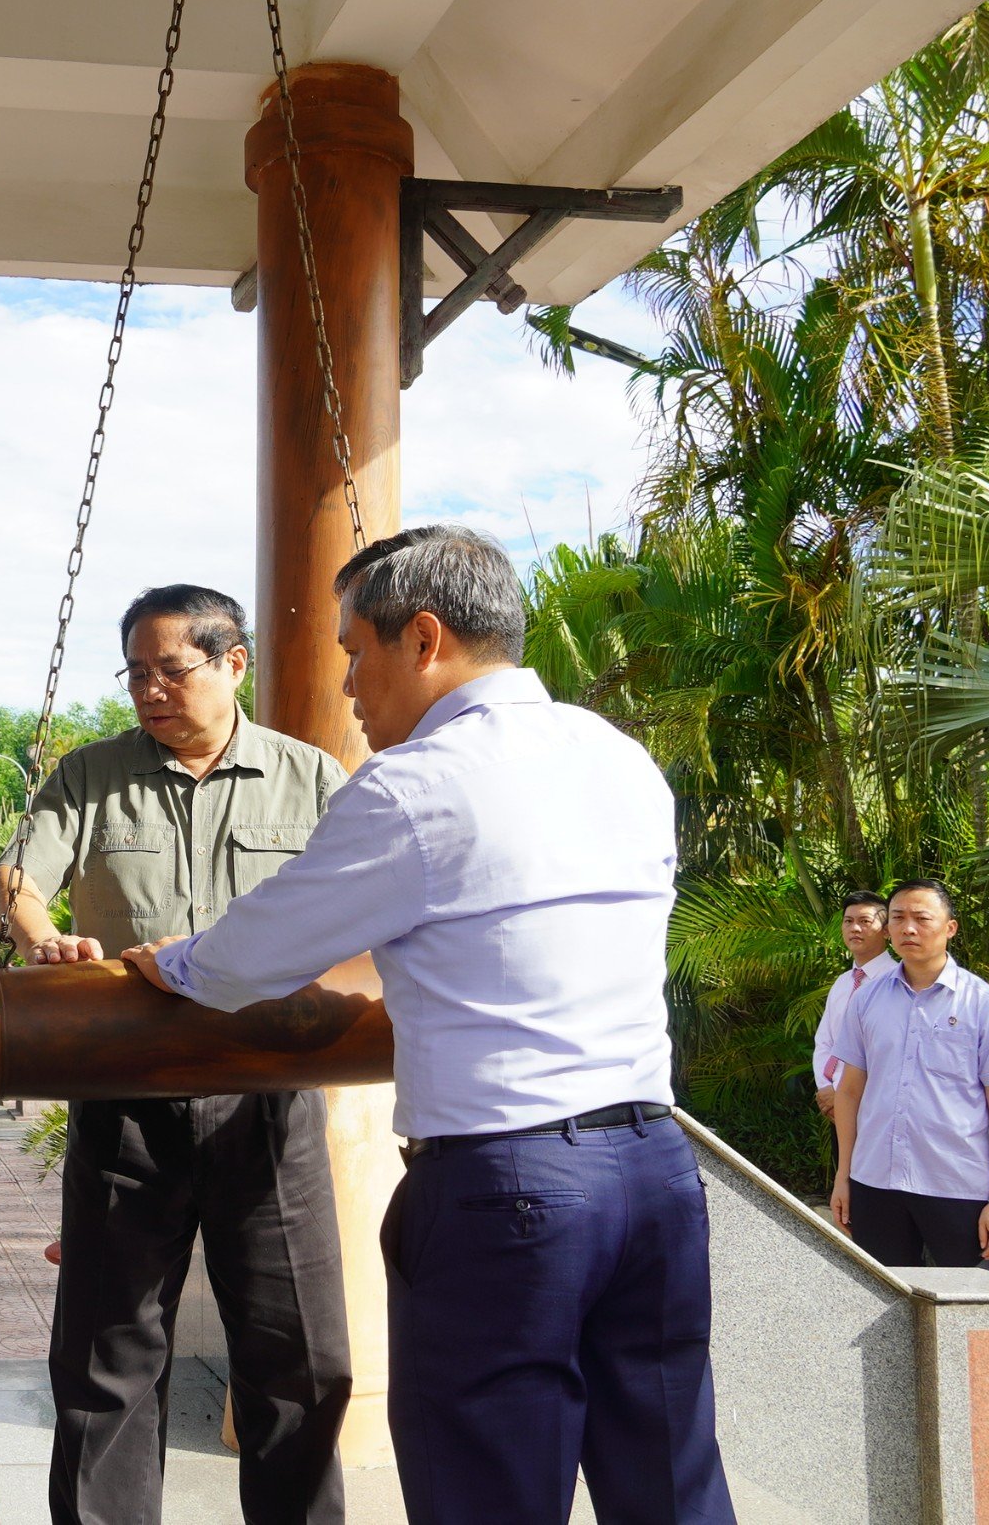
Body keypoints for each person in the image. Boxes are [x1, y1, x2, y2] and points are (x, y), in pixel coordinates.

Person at [121, 525, 733, 1525]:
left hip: (508, 1192)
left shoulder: (415, 785)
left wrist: (167, 959)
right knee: (668, 1484)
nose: (350, 682)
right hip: (653, 1172)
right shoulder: (619, 760)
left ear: (425, 639)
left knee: (486, 1493)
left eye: (355, 649)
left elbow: (247, 960)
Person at [0, 583, 352, 1525]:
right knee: (106, 1361)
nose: (151, 690)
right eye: (137, 674)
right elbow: (19, 881)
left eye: (172, 669)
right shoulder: (89, 776)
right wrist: (40, 936)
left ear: (235, 663)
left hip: (268, 1102)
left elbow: (372, 912)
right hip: (125, 1101)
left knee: (296, 1363)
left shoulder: (313, 778)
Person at [828, 880, 989, 1269]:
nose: (908, 929)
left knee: (977, 1312)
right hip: (876, 1184)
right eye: (898, 918)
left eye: (922, 919)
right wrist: (845, 1177)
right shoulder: (866, 999)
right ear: (887, 929)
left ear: (950, 928)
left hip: (958, 1187)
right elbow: (850, 1092)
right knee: (883, 1310)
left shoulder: (985, 1005)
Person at [813, 891, 898, 1120]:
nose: (855, 928)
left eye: (865, 921)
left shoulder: (896, 982)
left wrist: (844, 1095)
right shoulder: (842, 983)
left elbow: (887, 1053)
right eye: (848, 921)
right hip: (833, 1104)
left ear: (887, 931)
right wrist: (826, 1087)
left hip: (875, 1109)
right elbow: (824, 1042)